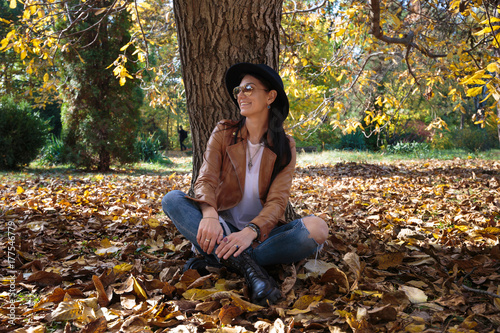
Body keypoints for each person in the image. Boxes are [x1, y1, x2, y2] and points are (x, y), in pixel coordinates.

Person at [162, 63, 329, 305]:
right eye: (238, 90)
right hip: (221, 228)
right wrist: (208, 215)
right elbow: (206, 178)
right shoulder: (224, 131)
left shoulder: (285, 146)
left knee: (318, 228)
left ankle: (225, 259)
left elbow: (277, 201)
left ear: (270, 96)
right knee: (171, 200)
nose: (241, 95)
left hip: (261, 236)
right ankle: (250, 267)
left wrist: (250, 232)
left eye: (249, 89)